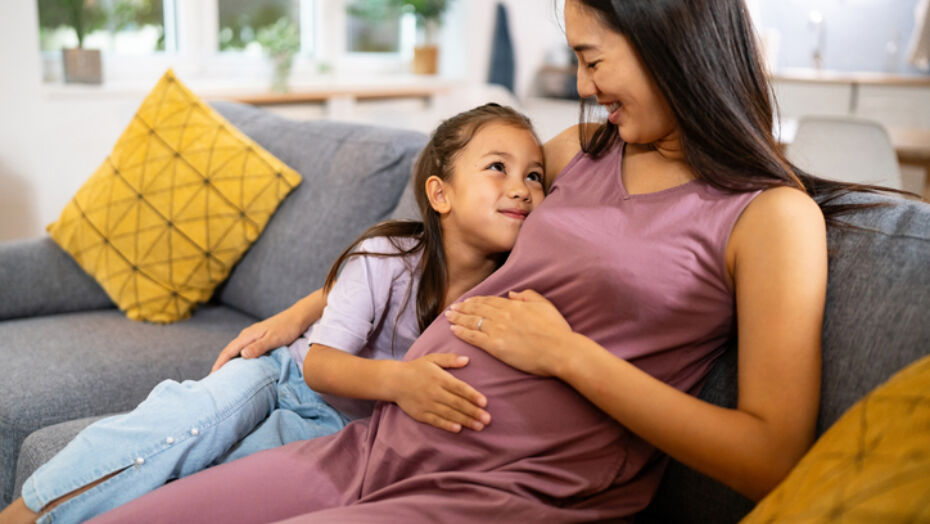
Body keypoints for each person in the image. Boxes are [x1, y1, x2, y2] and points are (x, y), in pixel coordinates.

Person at [73, 0, 885, 521]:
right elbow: (434, 221)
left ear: (670, 40)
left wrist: (569, 356)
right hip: (374, 444)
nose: (581, 82)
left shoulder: (772, 219)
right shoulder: (581, 153)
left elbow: (771, 457)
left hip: (502, 496)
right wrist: (304, 311)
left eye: (594, 58)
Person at [0, 104, 546, 524]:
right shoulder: (386, 257)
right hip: (282, 377)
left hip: (337, 430)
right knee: (182, 425)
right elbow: (321, 366)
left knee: (209, 486)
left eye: (536, 176)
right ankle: (24, 513)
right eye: (498, 168)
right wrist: (401, 382)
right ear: (440, 194)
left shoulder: (509, 293)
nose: (522, 188)